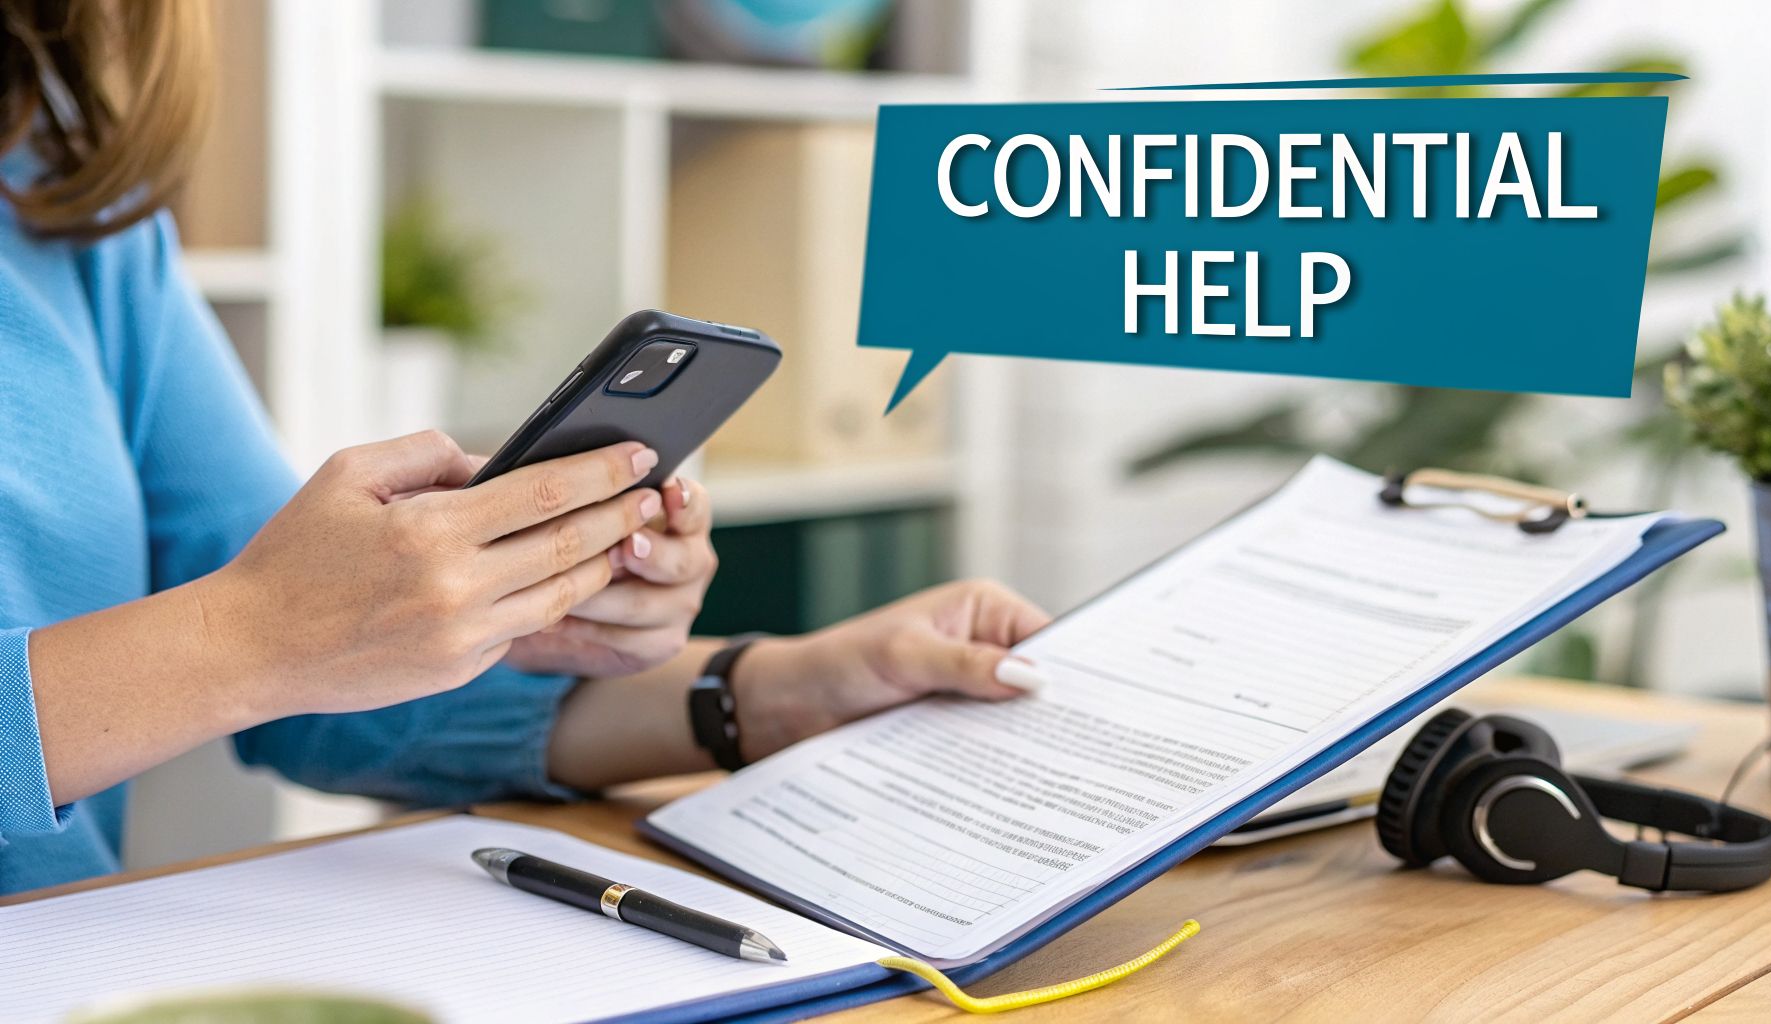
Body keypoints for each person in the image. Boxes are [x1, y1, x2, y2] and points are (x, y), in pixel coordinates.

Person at [0, 1, 1049, 896]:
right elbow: (256, 640)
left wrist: (781, 688)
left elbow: (318, 694)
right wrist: (254, 636)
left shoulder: (61, 203)